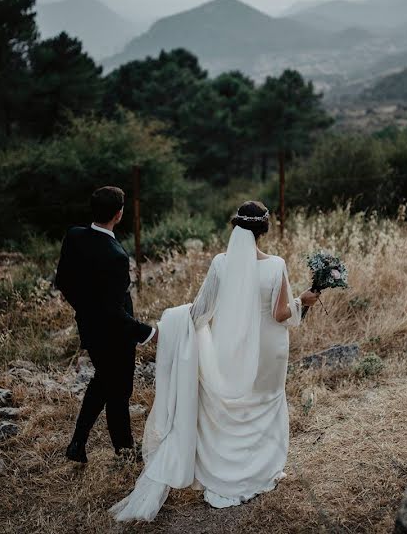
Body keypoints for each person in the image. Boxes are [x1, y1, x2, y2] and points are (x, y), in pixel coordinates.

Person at [110, 201, 320, 521]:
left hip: (229, 349)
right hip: (269, 351)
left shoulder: (221, 264)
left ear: (236, 228)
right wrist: (304, 301)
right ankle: (261, 472)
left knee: (230, 408)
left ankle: (227, 475)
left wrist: (172, 328)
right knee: (264, 405)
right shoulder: (276, 264)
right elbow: (281, 315)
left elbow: (201, 310)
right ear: (263, 231)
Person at [54, 186, 158, 464]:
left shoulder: (74, 235)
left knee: (103, 382)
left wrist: (84, 309)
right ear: (119, 214)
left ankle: (77, 444)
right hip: (116, 333)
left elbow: (62, 281)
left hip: (89, 327)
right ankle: (124, 451)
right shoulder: (116, 255)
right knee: (119, 391)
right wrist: (145, 332)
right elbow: (113, 309)